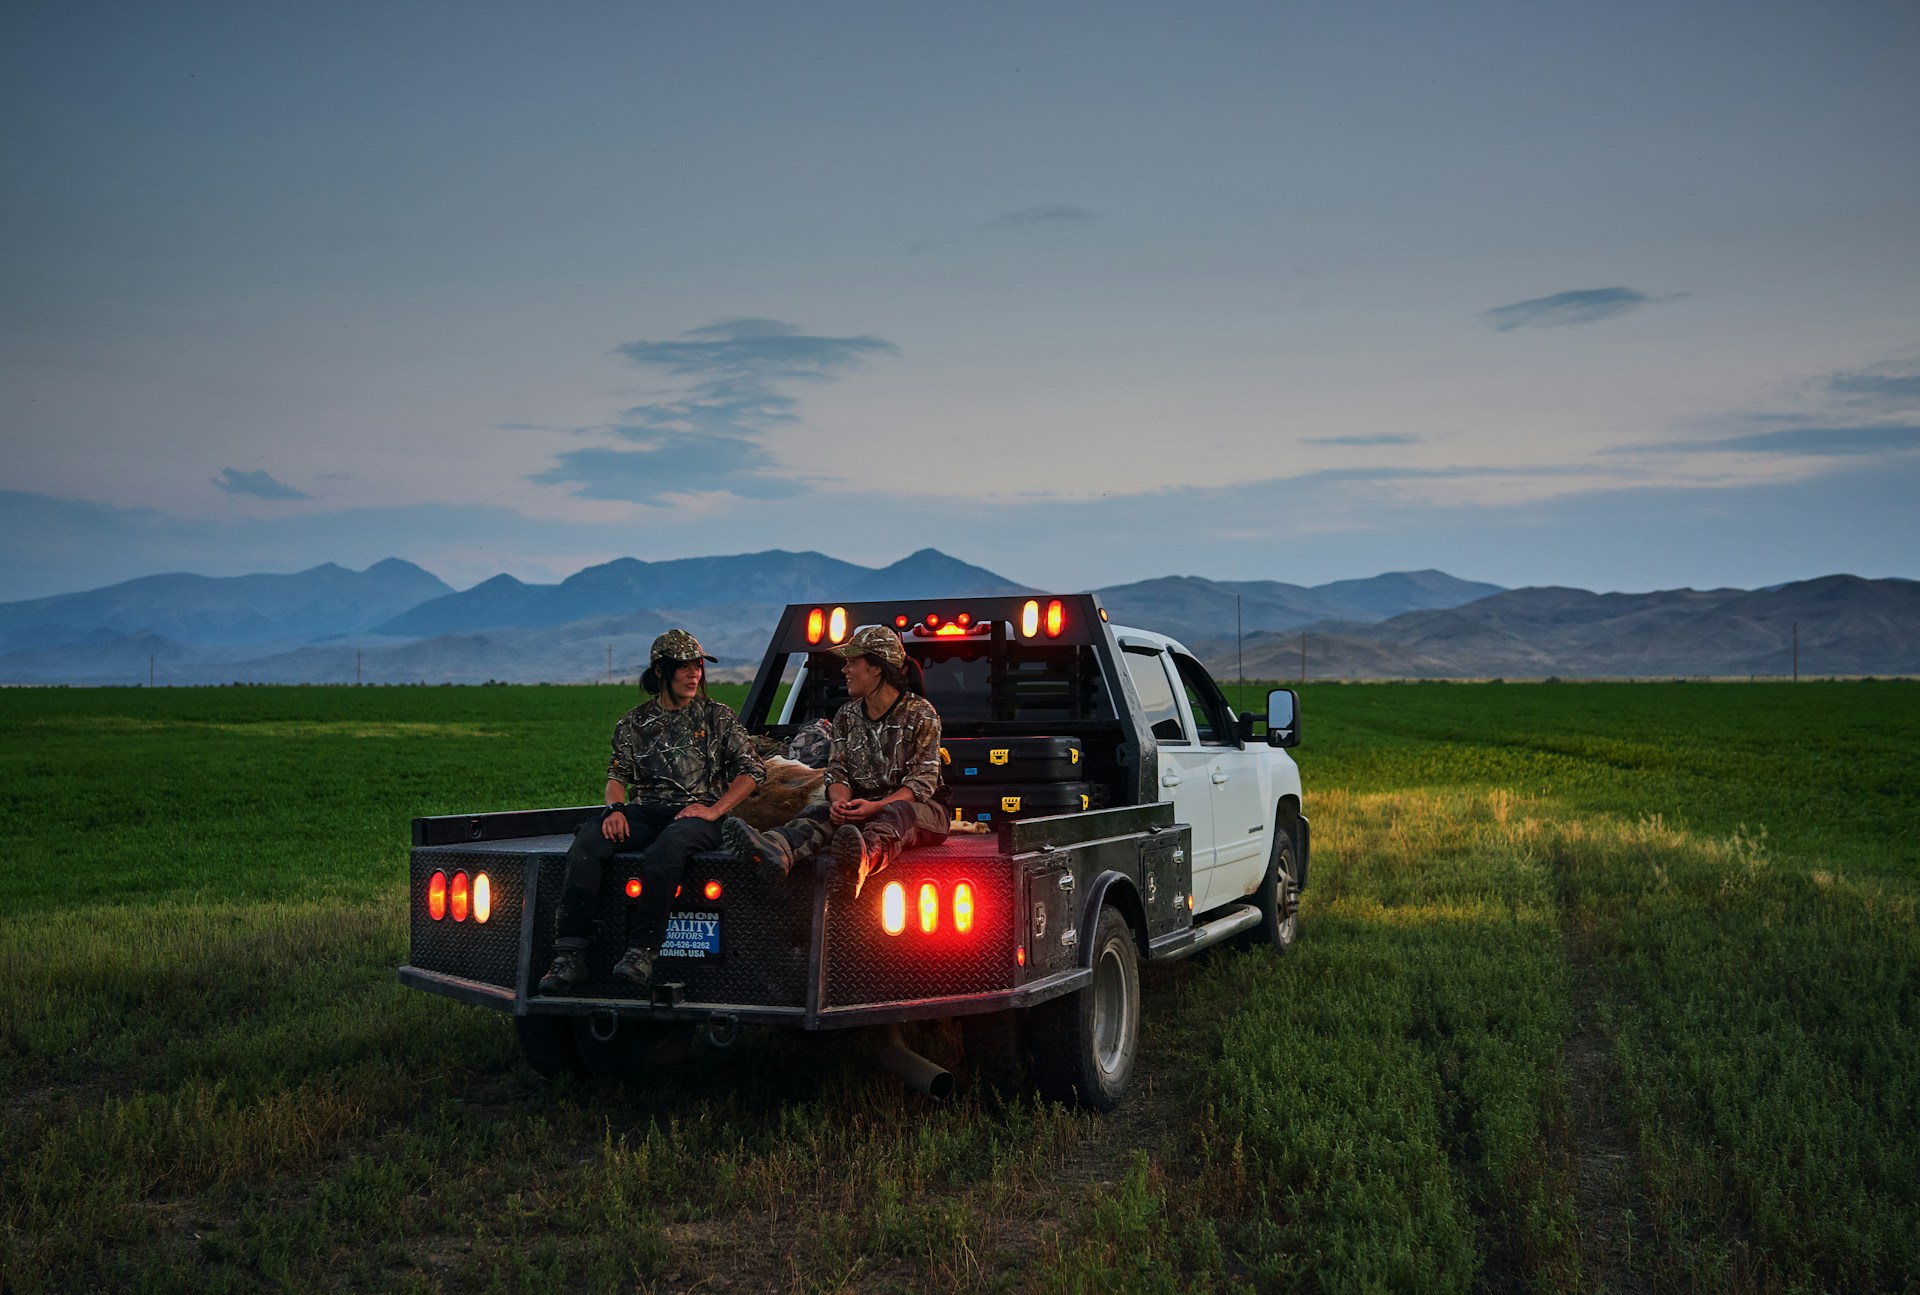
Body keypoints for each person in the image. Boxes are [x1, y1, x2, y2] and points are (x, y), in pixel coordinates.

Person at [539, 629, 764, 995]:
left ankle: (641, 953)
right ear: (661, 671)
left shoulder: (717, 717)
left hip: (699, 814)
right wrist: (615, 809)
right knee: (588, 841)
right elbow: (617, 778)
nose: (694, 675)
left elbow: (753, 771)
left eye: (698, 667)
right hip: (645, 810)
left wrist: (714, 811)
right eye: (684, 667)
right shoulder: (632, 723)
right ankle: (569, 956)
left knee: (666, 850)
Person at [723, 625, 947, 895]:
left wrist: (875, 807)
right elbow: (837, 771)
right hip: (862, 806)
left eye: (853, 662)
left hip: (920, 809)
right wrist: (840, 802)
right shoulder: (846, 716)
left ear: (876, 667)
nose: (844, 670)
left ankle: (863, 861)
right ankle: (774, 850)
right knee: (820, 812)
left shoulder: (921, 714)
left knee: (896, 814)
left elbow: (921, 784)